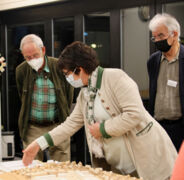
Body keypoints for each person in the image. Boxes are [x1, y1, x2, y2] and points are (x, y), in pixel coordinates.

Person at [22, 41, 177, 180]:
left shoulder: (115, 77)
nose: (68, 79)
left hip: (147, 160)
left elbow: (135, 114)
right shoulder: (85, 93)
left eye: (67, 74)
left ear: (79, 69)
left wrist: (103, 129)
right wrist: (38, 144)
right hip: (120, 167)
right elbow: (69, 125)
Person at [16, 34, 73, 162]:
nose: (32, 60)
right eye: (28, 57)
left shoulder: (59, 66)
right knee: (32, 164)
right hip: (33, 127)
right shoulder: (21, 70)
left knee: (61, 164)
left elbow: (68, 95)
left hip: (58, 124)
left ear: (43, 50)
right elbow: (23, 96)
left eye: (35, 55)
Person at [147, 13, 184, 152]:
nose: (157, 40)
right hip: (158, 128)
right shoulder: (153, 61)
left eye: (160, 36)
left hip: (180, 128)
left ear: (174, 34)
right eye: (154, 37)